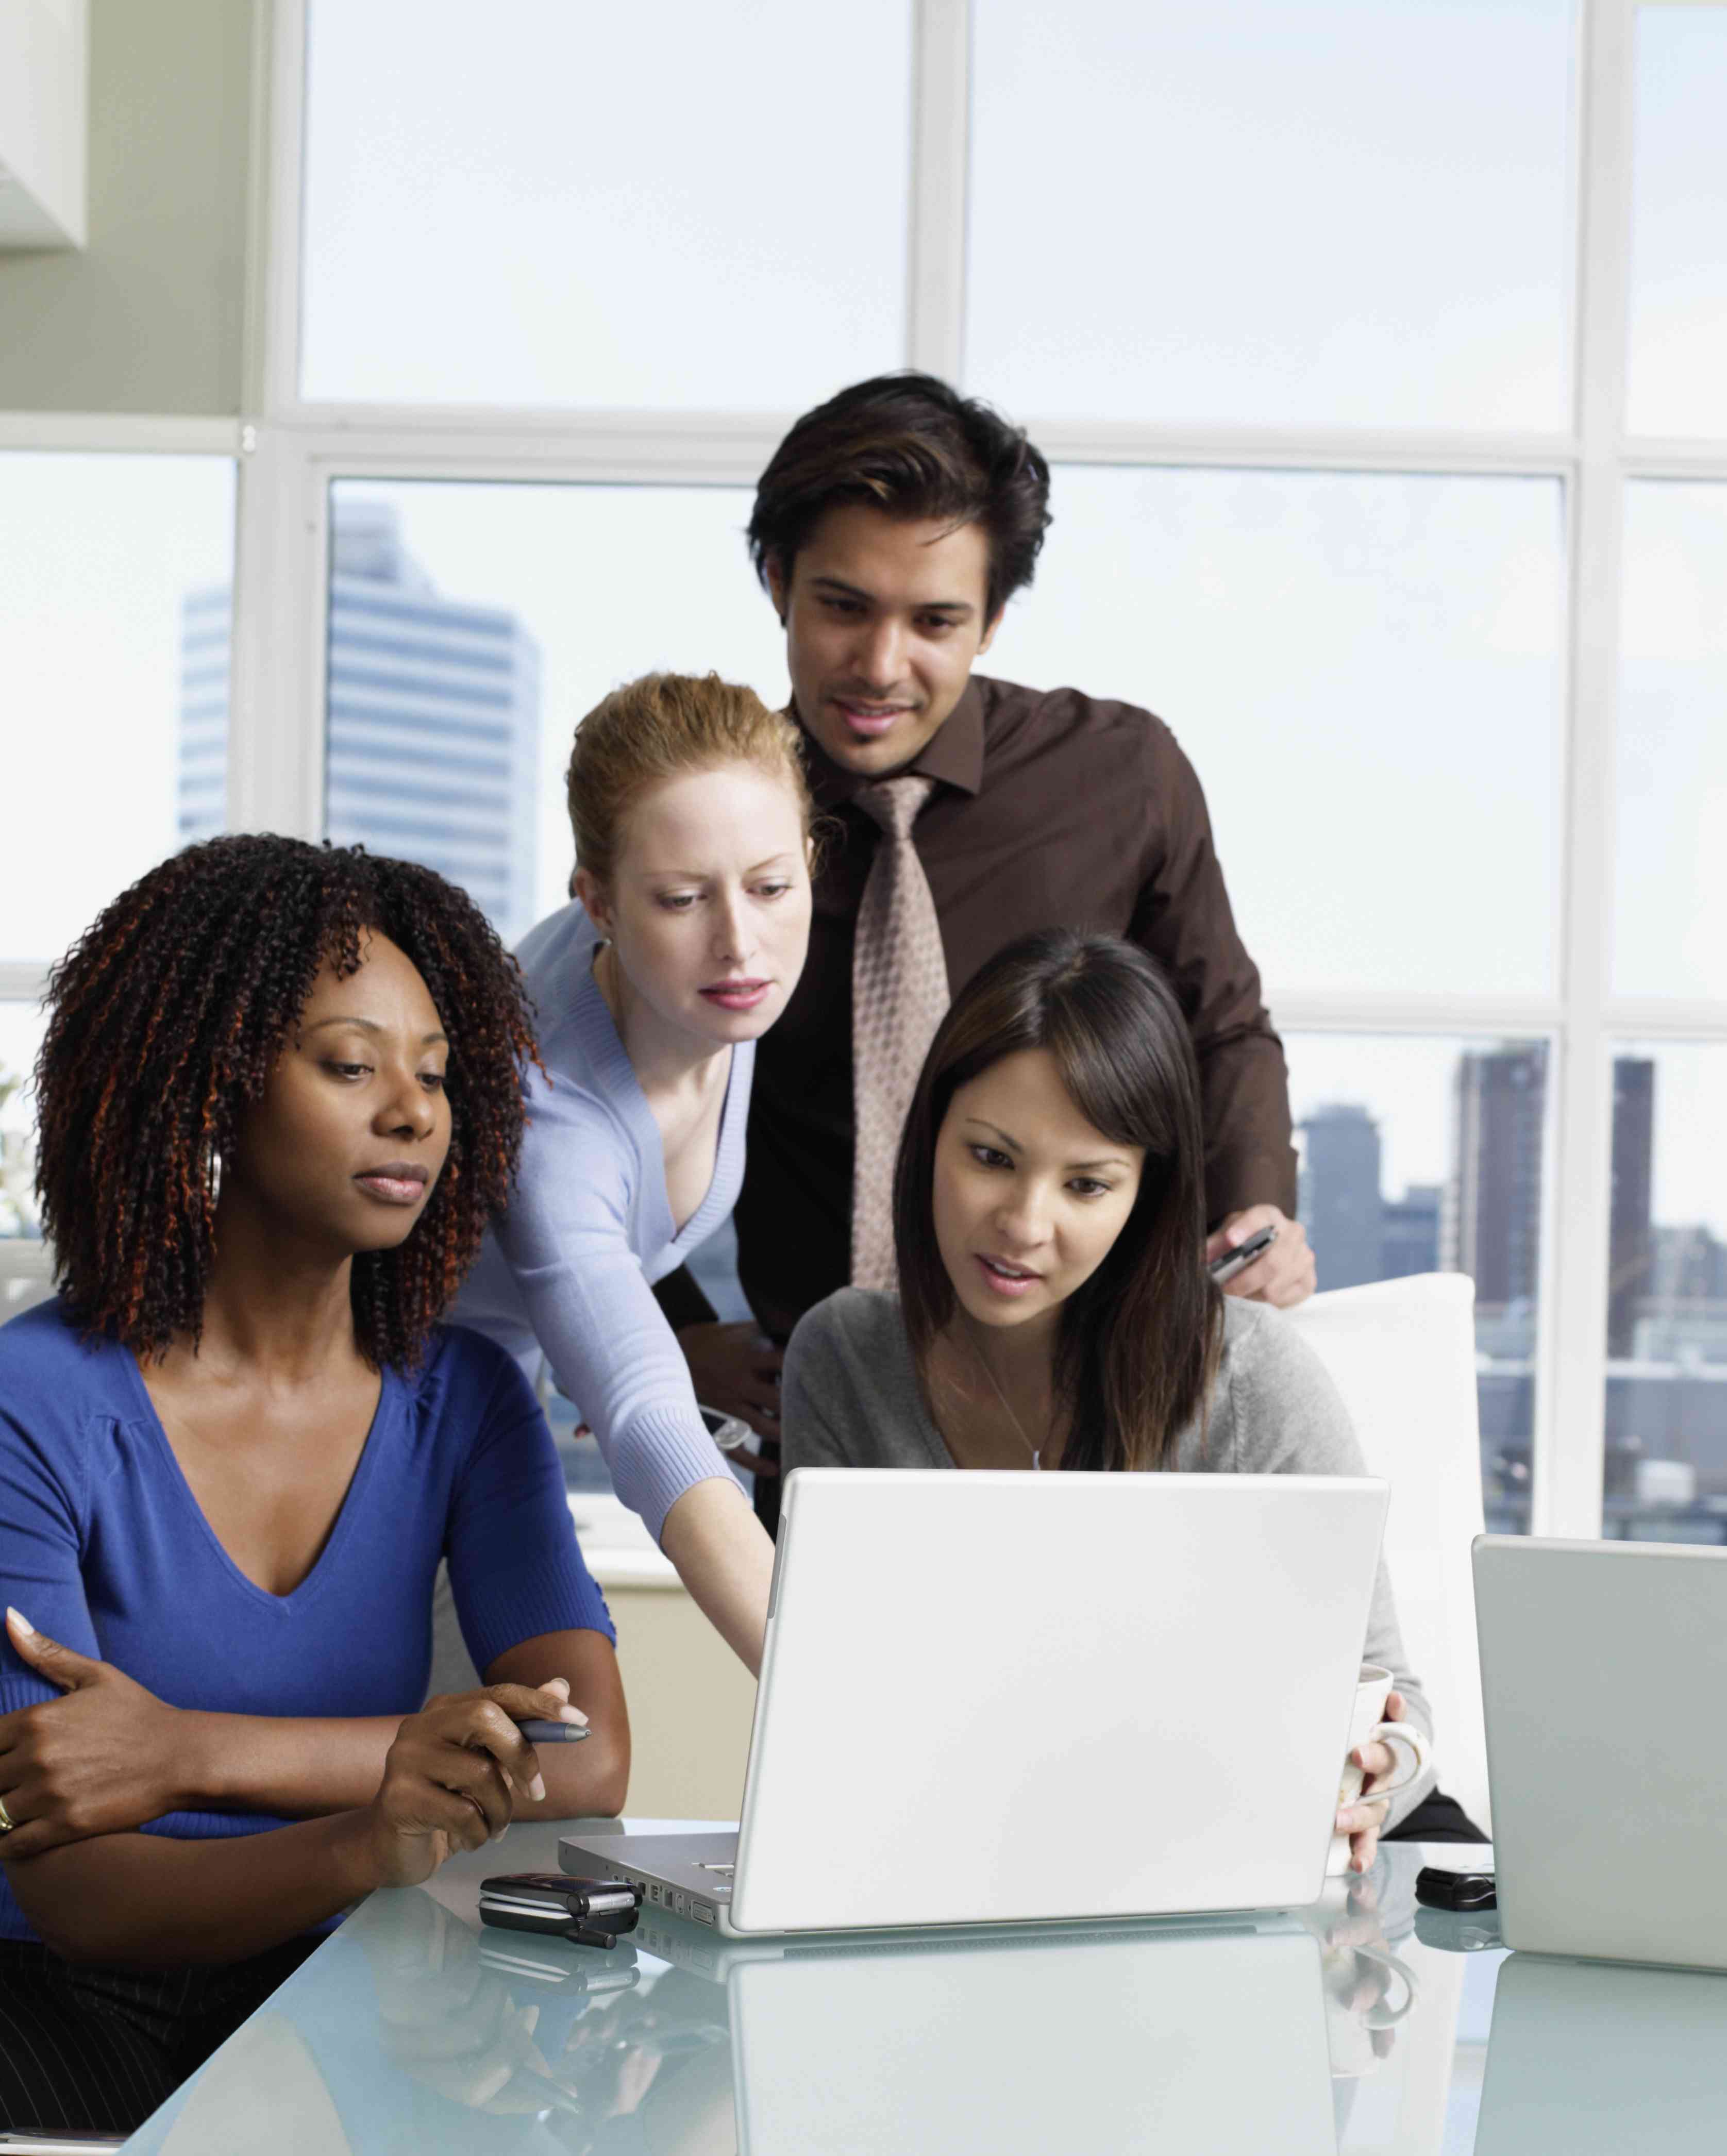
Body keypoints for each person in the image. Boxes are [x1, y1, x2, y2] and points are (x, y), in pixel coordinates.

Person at [0, 837, 627, 2138]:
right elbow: (65, 1872)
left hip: (344, 1976)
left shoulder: (466, 1402)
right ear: (210, 1089)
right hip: (51, 1996)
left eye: (439, 1076)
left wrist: (187, 1754)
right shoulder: (34, 1398)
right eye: (352, 1065)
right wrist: (368, 1826)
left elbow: (590, 1756)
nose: (414, 1110)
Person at [685, 373, 1313, 1496]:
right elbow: (586, 1096)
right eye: (842, 606)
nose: (881, 666)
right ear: (776, 581)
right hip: (836, 1418)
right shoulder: (713, 815)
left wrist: (1256, 1201)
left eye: (934, 622)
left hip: (1098, 1409)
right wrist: (668, 1330)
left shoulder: (1121, 778)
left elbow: (1222, 1027)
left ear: (994, 618)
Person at [779, 930, 1437, 1873]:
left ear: (1146, 1197)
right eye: (991, 1157)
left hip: (1243, 1885)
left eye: (1087, 1184)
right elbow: (837, 1712)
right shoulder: (846, 1357)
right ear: (929, 1139)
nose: (1023, 1224)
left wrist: (1379, 1771)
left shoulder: (1254, 1380)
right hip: (958, 1873)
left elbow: (1395, 1699)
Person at [451, 672, 816, 1673]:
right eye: (681, 898)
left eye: (772, 885)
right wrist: (835, 1709)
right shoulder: (549, 1106)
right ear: (598, 901)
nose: (740, 940)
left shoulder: (714, 985)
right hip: (371, 1420)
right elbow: (646, 1417)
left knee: (560, 1757)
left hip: (495, 1397)